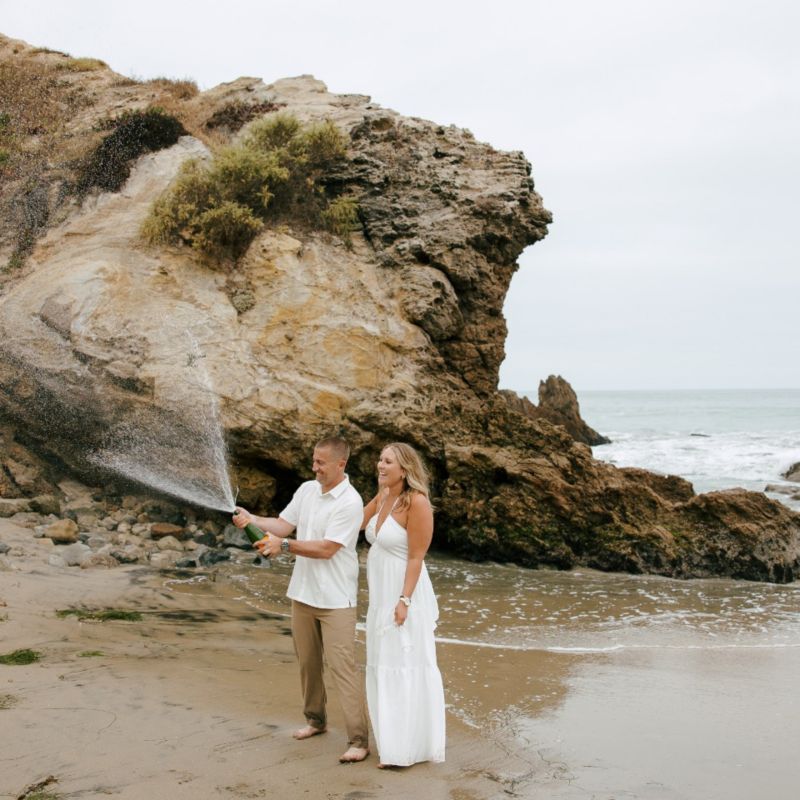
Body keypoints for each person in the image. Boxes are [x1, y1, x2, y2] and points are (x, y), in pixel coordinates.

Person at [232, 436, 370, 764]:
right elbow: (282, 525)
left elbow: (327, 548)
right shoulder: (307, 490)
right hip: (303, 593)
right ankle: (316, 721)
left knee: (343, 669)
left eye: (321, 462)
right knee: (308, 664)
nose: (314, 467)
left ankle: (359, 741)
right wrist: (252, 519)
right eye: (313, 460)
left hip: (336, 600)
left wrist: (284, 545)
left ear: (341, 464)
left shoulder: (351, 501)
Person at [362, 442, 445, 767]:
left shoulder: (417, 502)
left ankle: (404, 751)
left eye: (388, 462)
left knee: (404, 666)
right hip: (380, 596)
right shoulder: (383, 495)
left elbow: (416, 557)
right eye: (380, 460)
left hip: (403, 595)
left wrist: (404, 600)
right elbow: (354, 523)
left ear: (404, 469)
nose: (380, 466)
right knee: (383, 664)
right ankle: (391, 744)